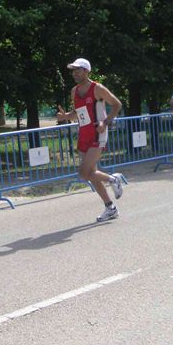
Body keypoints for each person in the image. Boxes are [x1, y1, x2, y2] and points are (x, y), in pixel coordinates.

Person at [56, 58, 125, 222]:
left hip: (98, 133)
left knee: (83, 172)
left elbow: (117, 104)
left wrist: (105, 122)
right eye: (73, 71)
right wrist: (66, 116)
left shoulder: (97, 88)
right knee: (91, 174)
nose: (74, 73)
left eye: (78, 70)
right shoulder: (74, 91)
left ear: (86, 71)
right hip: (83, 135)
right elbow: (78, 112)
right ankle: (110, 207)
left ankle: (113, 179)